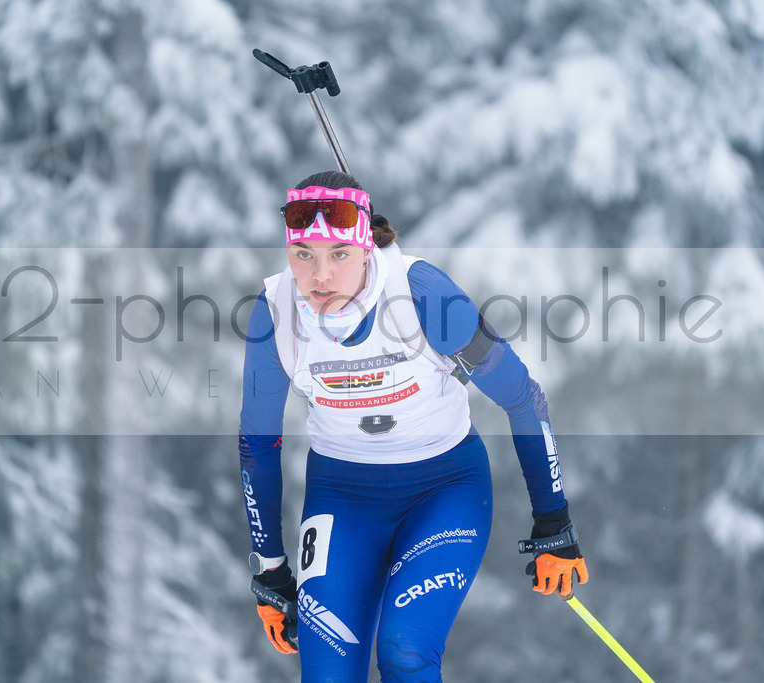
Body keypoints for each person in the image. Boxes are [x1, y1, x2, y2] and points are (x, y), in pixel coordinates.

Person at [239, 170, 588, 682]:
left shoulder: (421, 294)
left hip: (443, 490)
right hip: (341, 499)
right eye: (303, 256)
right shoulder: (276, 313)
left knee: (404, 649)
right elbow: (258, 446)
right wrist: (270, 567)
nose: (320, 277)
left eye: (338, 253)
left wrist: (554, 523)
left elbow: (523, 398)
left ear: (366, 249)